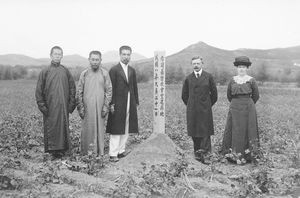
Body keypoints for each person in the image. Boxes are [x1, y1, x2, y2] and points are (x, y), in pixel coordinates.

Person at [35, 46, 76, 159]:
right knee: (51, 129)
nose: (57, 56)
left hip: (63, 107)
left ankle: (63, 150)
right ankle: (52, 151)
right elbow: (39, 91)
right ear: (51, 55)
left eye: (59, 54)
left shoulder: (65, 71)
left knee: (63, 128)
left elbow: (72, 88)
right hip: (50, 108)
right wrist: (43, 107)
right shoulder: (45, 71)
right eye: (55, 54)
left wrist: (71, 105)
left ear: (62, 56)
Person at [221, 56, 260, 163]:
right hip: (235, 108)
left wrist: (248, 104)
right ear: (236, 68)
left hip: (248, 108)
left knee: (248, 129)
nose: (241, 69)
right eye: (239, 67)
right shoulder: (232, 80)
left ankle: (248, 155)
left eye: (243, 67)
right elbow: (229, 95)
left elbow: (256, 96)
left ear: (247, 68)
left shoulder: (251, 80)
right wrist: (236, 103)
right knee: (234, 129)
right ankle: (232, 154)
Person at [181, 56, 218, 164]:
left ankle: (206, 155)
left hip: (205, 109)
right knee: (194, 131)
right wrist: (191, 105)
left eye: (198, 63)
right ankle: (197, 153)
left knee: (205, 132)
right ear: (192, 65)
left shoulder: (208, 77)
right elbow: (184, 95)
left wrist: (207, 104)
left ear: (202, 64)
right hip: (192, 109)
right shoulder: (188, 78)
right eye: (194, 64)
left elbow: (214, 94)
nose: (196, 65)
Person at [106, 45, 139, 162]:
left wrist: (136, 102)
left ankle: (121, 151)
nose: (126, 56)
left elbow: (134, 87)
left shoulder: (132, 70)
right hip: (118, 103)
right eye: (124, 54)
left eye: (128, 54)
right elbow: (110, 88)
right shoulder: (114, 70)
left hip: (130, 101)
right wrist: (111, 104)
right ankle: (113, 153)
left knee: (126, 126)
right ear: (120, 55)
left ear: (130, 55)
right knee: (116, 128)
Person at [76, 51, 112, 158]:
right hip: (87, 108)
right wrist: (81, 107)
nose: (95, 62)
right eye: (93, 59)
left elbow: (109, 91)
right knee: (87, 130)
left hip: (100, 107)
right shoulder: (84, 74)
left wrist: (106, 106)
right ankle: (87, 153)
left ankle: (100, 152)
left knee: (100, 130)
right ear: (89, 60)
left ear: (101, 60)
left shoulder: (104, 73)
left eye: (97, 60)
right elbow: (79, 92)